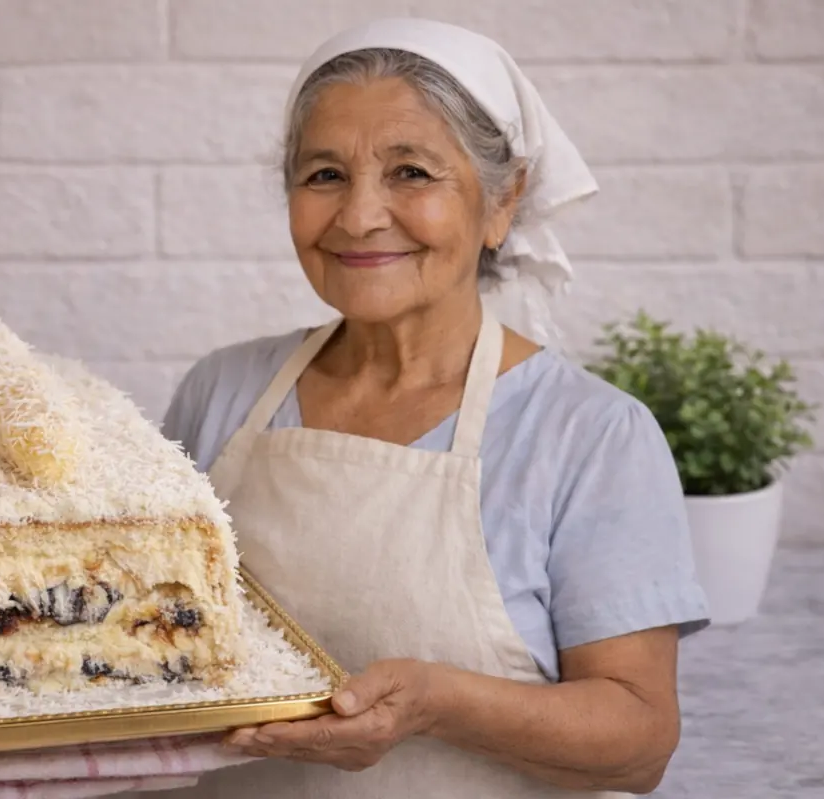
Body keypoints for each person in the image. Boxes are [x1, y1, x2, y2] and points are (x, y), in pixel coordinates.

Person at [150, 17, 710, 799]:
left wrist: (435, 704)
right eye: (324, 175)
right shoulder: (222, 391)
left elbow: (639, 742)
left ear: (502, 199)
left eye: (410, 172)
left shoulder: (589, 435)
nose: (358, 216)